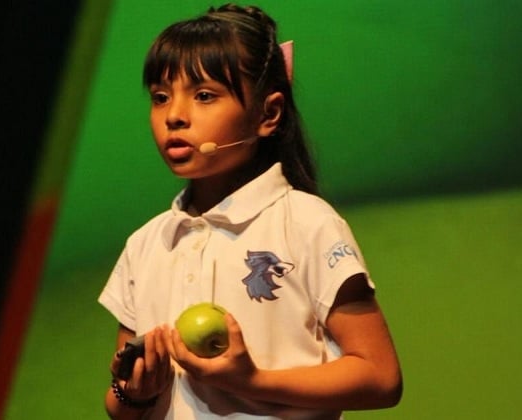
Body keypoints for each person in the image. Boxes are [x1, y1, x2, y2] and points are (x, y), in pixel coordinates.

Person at [99, 4, 402, 419]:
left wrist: (250, 381)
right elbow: (121, 407)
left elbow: (381, 377)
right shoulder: (145, 244)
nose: (174, 116)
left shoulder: (308, 223)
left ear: (268, 113)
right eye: (160, 97)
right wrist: (136, 392)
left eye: (204, 95)